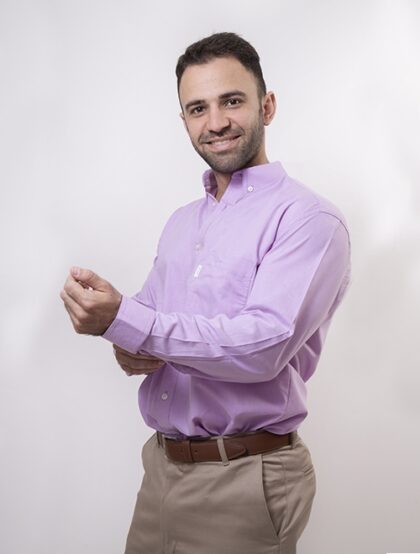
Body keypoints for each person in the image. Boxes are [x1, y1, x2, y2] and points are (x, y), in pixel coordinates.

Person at [60, 32, 351, 554]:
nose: (215, 122)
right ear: (184, 121)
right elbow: (147, 331)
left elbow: (263, 346)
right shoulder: (181, 223)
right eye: (198, 108)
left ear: (267, 106)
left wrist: (125, 320)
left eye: (231, 101)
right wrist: (123, 337)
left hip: (243, 478)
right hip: (160, 469)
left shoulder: (308, 219)